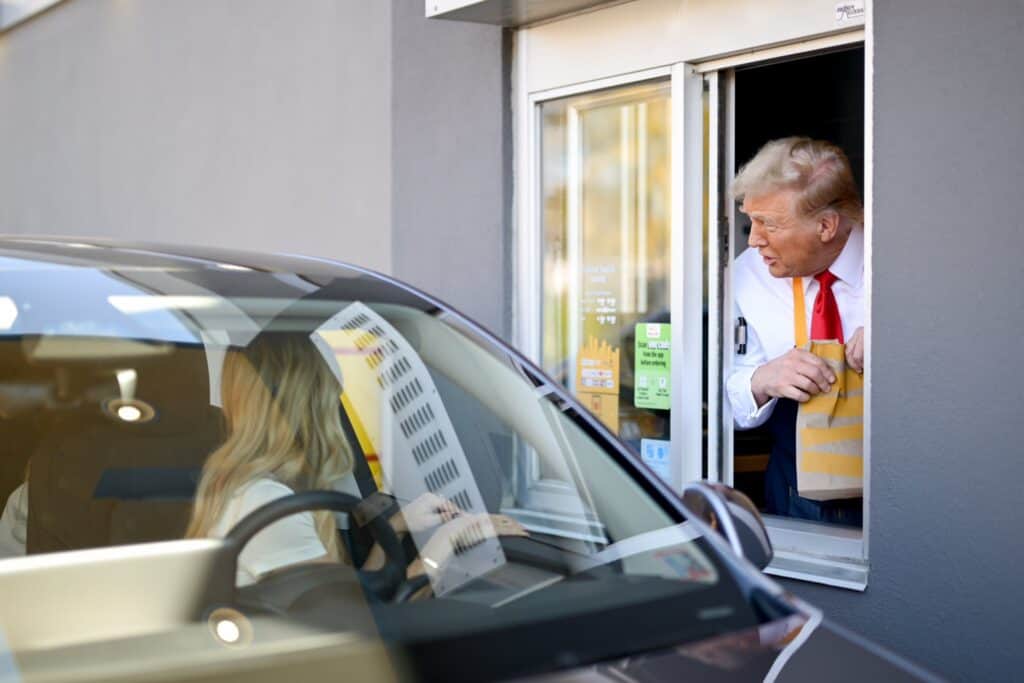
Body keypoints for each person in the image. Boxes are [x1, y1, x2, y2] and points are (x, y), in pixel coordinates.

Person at [186, 333, 458, 585]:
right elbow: (356, 626)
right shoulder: (268, 504)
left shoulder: (247, 490)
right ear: (311, 407)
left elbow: (351, 602)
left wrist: (396, 526)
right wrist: (443, 548)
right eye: (331, 399)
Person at [726, 137, 864, 524]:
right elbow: (729, 399)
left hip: (901, 494)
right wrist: (762, 379)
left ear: (826, 225)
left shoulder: (895, 259)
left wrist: (902, 338)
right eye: (750, 220)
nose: (754, 240)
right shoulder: (747, 275)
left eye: (769, 224)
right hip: (794, 496)